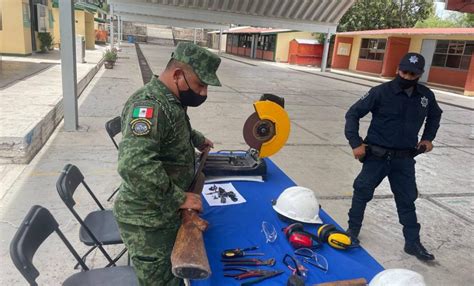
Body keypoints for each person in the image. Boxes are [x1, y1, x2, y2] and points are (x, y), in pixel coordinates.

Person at [113, 42, 221, 285]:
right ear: (177, 75)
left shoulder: (170, 100)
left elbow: (176, 129)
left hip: (162, 210)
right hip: (148, 220)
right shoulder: (149, 106)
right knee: (162, 280)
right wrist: (179, 198)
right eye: (200, 84)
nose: (203, 93)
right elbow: (134, 166)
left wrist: (197, 138)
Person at [344, 52, 442, 261]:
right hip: (376, 157)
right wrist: (356, 143)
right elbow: (353, 113)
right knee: (362, 192)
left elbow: (436, 115)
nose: (407, 77)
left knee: (407, 200)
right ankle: (352, 232)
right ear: (398, 69)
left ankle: (412, 242)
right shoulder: (380, 92)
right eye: (404, 72)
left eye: (412, 74)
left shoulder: (425, 96)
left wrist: (428, 138)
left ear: (420, 74)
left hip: (404, 159)